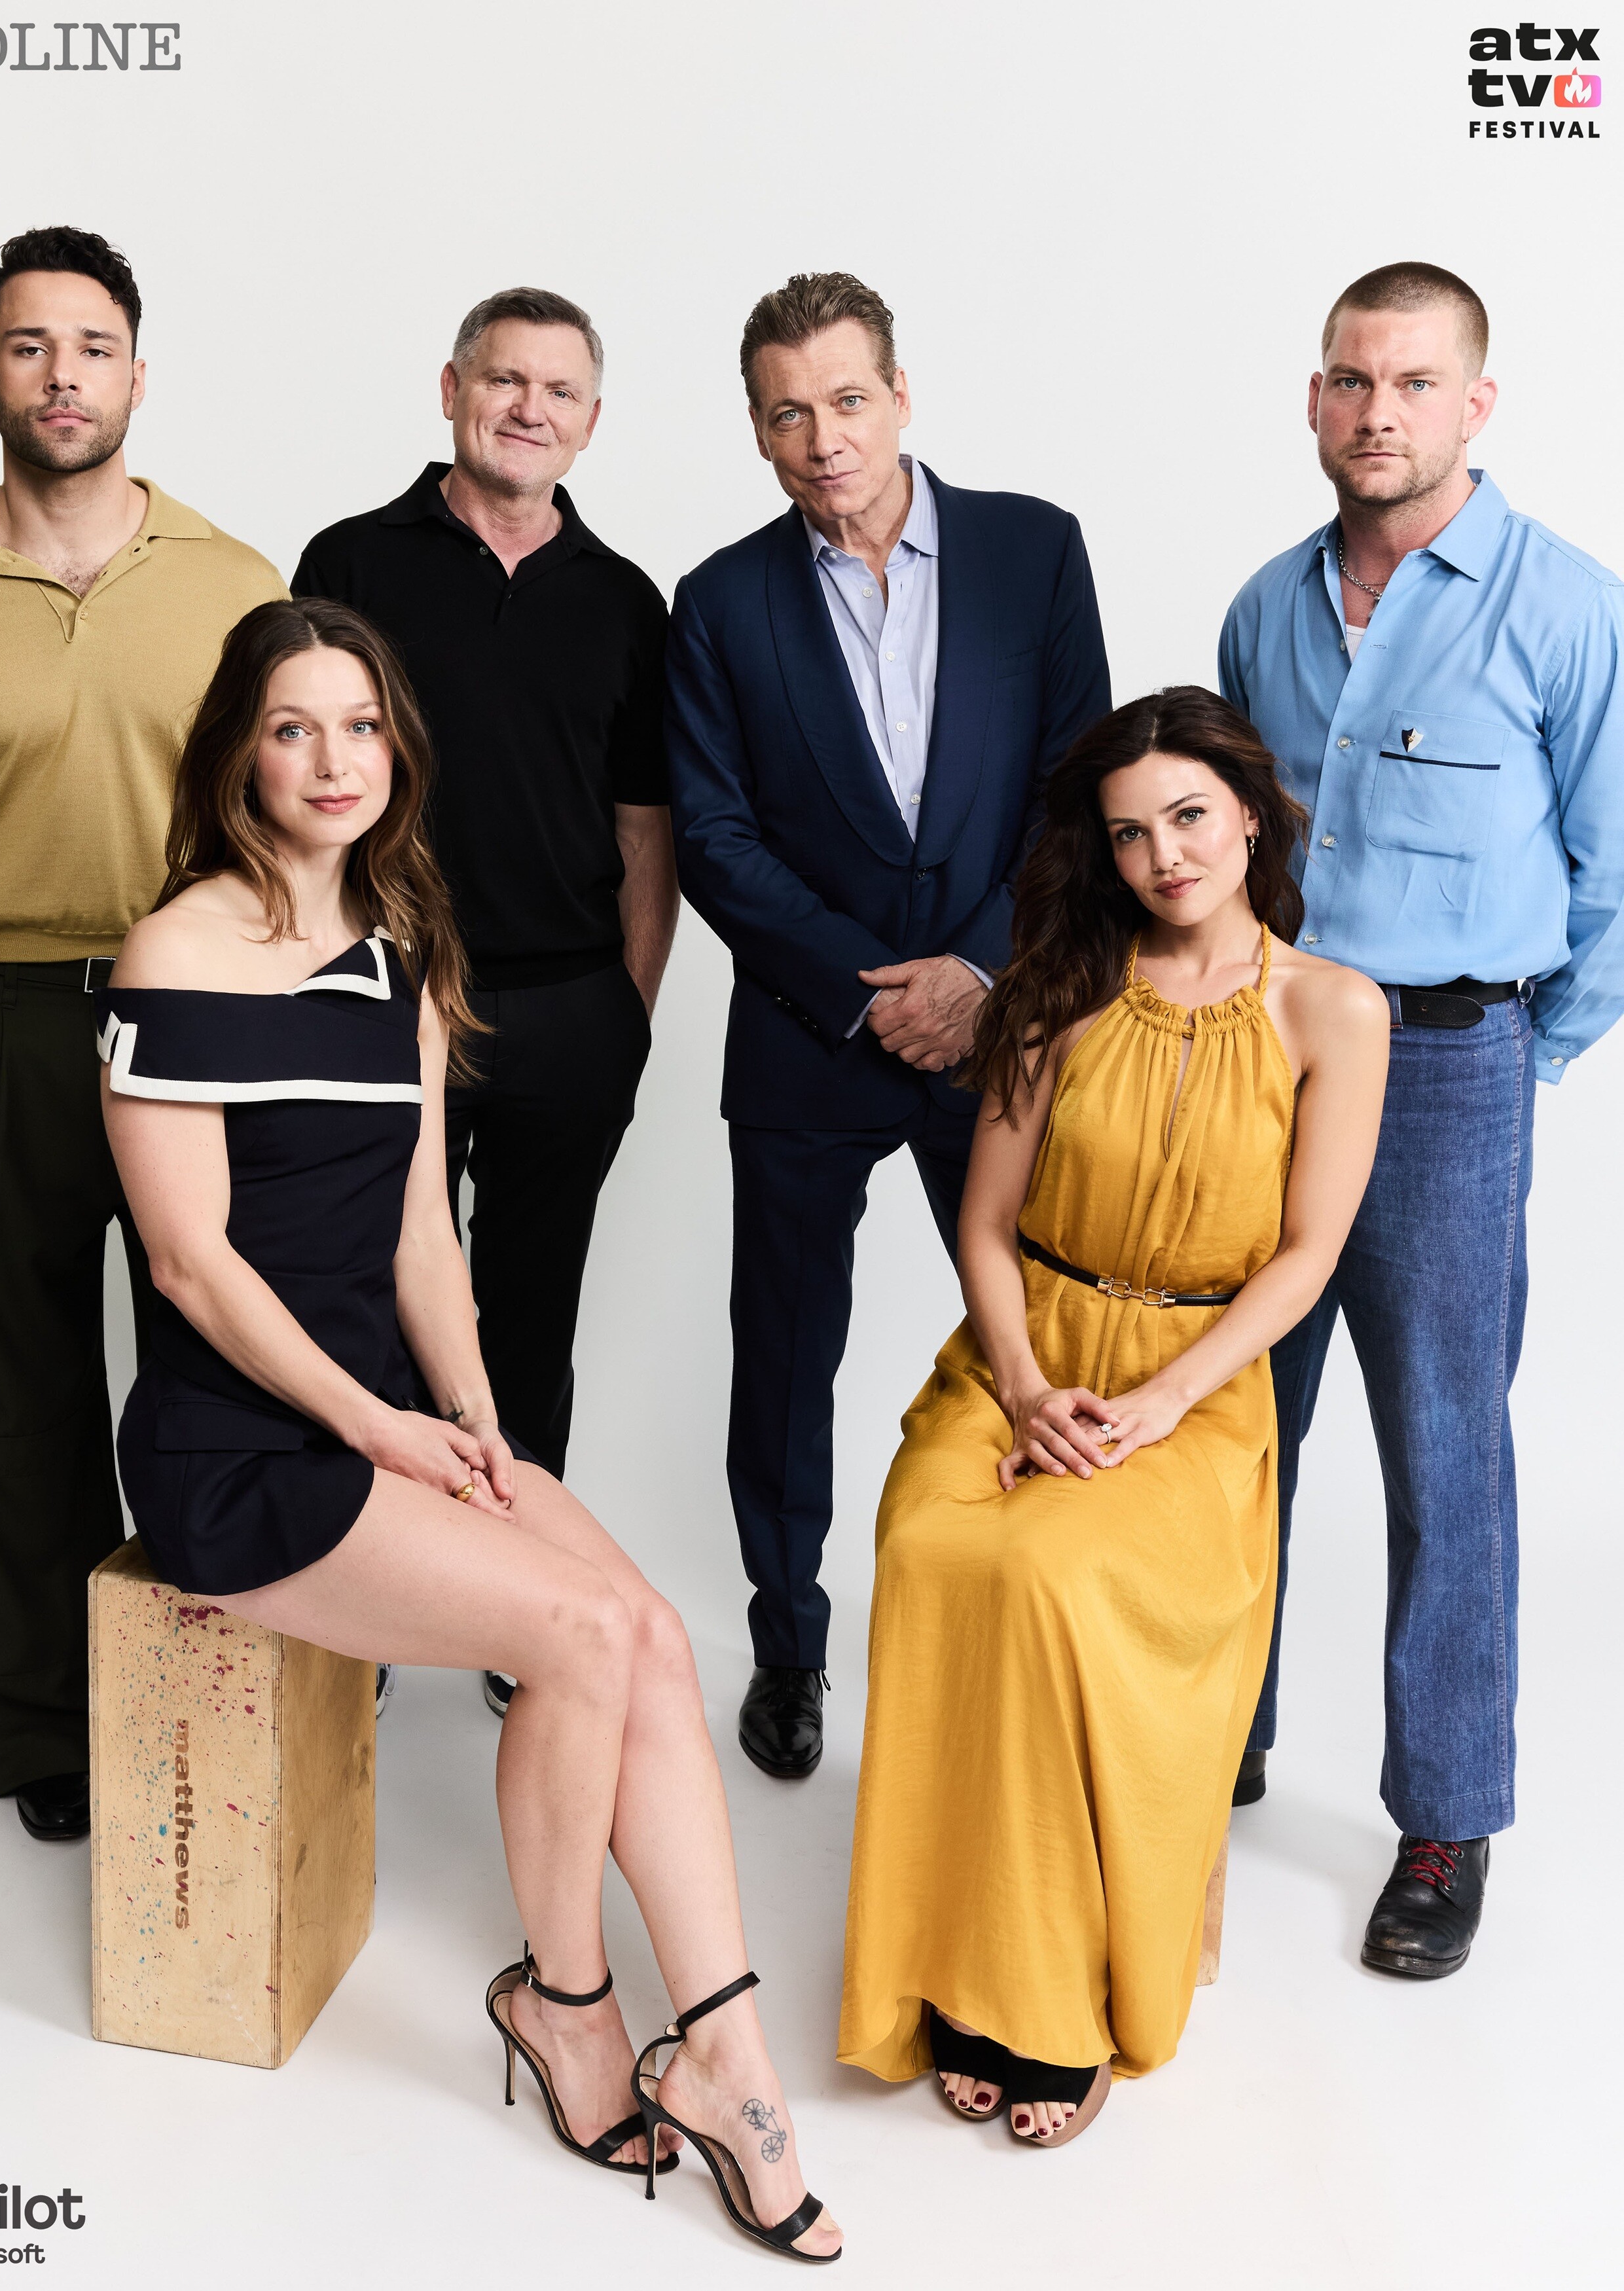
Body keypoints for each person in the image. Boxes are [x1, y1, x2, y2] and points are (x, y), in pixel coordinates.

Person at [96, 596, 839, 2263]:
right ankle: (566, 2005)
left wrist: (480, 1425)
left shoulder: (402, 948)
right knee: (580, 1633)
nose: (333, 759)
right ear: (238, 753)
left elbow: (424, 1232)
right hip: (245, 1451)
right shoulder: (175, 954)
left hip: (391, 1424)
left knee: (650, 1632)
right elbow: (190, 1264)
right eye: (293, 726)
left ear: (396, 750)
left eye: (361, 725)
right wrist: (378, 1425)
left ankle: (726, 2056)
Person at [840, 688, 1388, 2142]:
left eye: (1189, 817)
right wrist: (1025, 1387)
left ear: (1250, 815)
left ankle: (1051, 2001)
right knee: (933, 1547)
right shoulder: (1056, 988)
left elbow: (1305, 1258)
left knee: (1052, 1570)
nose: (1163, 856)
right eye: (1130, 833)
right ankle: (950, 1963)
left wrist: (1155, 1406)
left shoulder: (1335, 1010)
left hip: (1193, 1390)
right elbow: (984, 1225)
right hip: (1022, 1355)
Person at [0, 225, 285, 1843]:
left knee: (219, 1372)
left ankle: (222, 1693)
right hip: (0, 1024)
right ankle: (40, 1727)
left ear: (137, 374)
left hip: (196, 1017)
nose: (61, 376)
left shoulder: (240, 585)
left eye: (91, 347)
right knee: (10, 1401)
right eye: (29, 346)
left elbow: (285, 814)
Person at [1219, 261, 1624, 1978]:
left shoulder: (1566, 607)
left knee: (1445, 1447)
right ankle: (1210, 1738)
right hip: (1264, 1061)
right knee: (1235, 1415)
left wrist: (1515, 1062)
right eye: (1347, 379)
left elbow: (1613, 875)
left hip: (1452, 1070)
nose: (1374, 411)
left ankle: (1444, 1818)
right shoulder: (1263, 608)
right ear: (1314, 399)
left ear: (1475, 403)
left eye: (1409, 381)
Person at [665, 272, 1111, 1779]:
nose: (823, 439)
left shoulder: (1031, 551)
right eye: (787, 413)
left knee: (1033, 1331)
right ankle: (787, 1647)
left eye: (847, 400)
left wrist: (977, 973)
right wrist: (876, 992)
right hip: (811, 1042)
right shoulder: (719, 602)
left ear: (900, 395)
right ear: (755, 431)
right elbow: (714, 839)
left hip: (1001, 1028)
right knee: (784, 1363)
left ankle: (1036, 1628)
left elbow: (1076, 794)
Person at [292, 290, 675, 1721]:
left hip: (569, 1010)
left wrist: (626, 1013)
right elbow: (299, 781)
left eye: (558, 390)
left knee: (529, 1312)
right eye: (503, 380)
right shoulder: (351, 561)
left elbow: (645, 829)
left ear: (591, 421)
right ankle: (377, 1597)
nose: (528, 408)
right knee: (370, 1304)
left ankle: (519, 1601)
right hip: (388, 998)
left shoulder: (625, 601)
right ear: (451, 391)